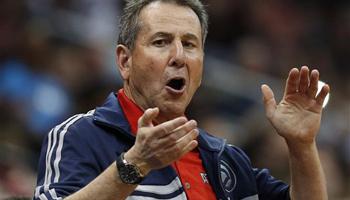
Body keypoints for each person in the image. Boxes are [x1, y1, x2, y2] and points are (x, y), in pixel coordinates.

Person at [33, 0, 330, 199]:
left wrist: (302, 146)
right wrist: (134, 165)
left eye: (189, 44)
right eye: (161, 42)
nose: (178, 56)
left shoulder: (223, 158)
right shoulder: (79, 136)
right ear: (124, 61)